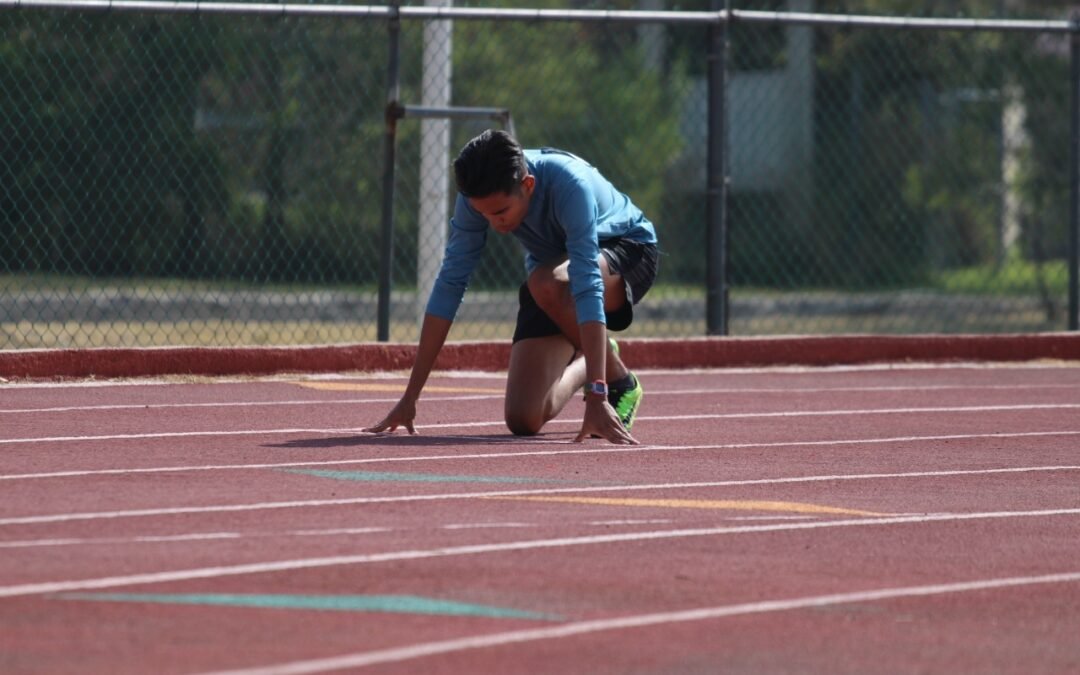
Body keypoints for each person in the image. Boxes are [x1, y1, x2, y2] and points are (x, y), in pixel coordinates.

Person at [364, 129, 659, 444]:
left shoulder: (571, 184)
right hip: (553, 280)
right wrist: (411, 397)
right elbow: (450, 284)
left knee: (550, 281)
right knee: (523, 418)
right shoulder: (475, 199)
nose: (494, 223)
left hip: (624, 250)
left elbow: (585, 279)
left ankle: (617, 382)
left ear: (527, 186)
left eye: (501, 212)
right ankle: (594, 354)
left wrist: (598, 395)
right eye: (483, 214)